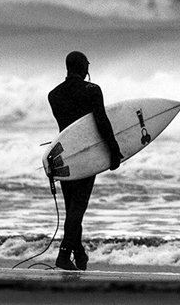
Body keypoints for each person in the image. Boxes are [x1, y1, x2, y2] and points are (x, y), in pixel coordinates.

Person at [47, 51, 122, 271]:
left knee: (72, 208)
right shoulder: (92, 90)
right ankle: (64, 255)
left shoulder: (54, 95)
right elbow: (101, 122)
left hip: (63, 157)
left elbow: (67, 128)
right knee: (78, 208)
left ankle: (79, 254)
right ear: (82, 66)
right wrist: (114, 151)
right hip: (85, 155)